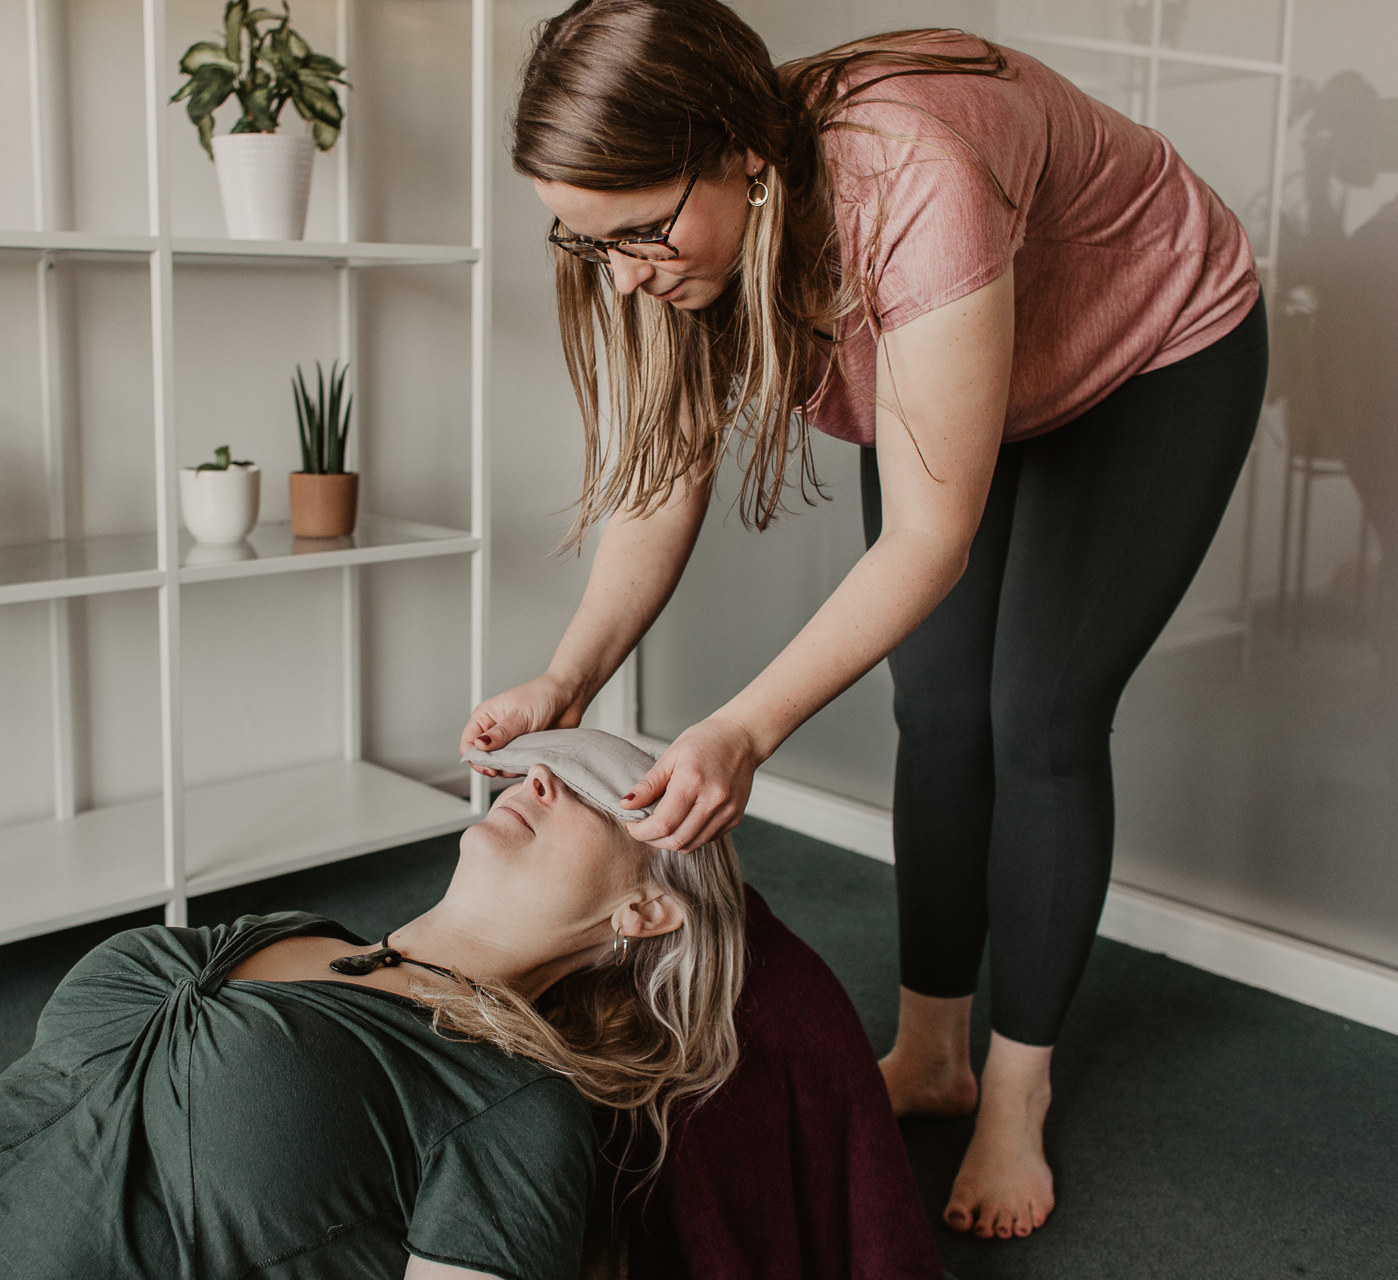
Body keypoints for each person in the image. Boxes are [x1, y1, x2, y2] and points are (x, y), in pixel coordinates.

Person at [464, 0, 1267, 1242]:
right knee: (937, 706)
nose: (620, 271)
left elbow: (927, 541)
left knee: (1038, 709)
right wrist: (566, 679)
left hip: (1150, 351)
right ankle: (934, 1048)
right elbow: (661, 479)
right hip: (970, 353)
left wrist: (743, 728)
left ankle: (1013, 1095)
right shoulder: (654, 237)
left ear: (744, 153)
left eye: (634, 233)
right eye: (584, 241)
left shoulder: (912, 175)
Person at [0, 746, 746, 1280]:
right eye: (547, 762)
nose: (542, 776)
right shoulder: (290, 929)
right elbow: (7, 1138)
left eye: (608, 791)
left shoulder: (509, 1104)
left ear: (647, 906)